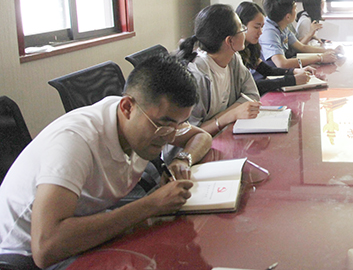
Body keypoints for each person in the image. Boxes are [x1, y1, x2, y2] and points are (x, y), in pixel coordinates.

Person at [0, 55, 212, 269]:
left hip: (84, 225)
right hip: (26, 257)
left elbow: (201, 136)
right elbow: (46, 248)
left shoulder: (144, 119)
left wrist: (182, 160)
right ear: (127, 107)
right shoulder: (75, 141)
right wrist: (152, 204)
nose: (170, 136)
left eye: (179, 125)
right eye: (164, 125)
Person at [176, 4, 261, 136]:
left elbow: (252, 95)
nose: (244, 32)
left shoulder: (233, 59)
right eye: (241, 28)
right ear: (229, 40)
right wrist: (231, 115)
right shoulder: (198, 75)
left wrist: (230, 114)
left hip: (224, 135)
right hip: (200, 145)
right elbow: (187, 133)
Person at [236, 1, 314, 95]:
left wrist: (294, 71)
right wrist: (292, 80)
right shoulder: (235, 53)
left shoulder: (251, 47)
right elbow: (250, 85)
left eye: (262, 27)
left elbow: (268, 70)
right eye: (256, 27)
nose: (260, 32)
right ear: (242, 27)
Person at [259, 0, 341, 69]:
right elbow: (282, 64)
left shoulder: (281, 25)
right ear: (288, 17)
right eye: (295, 8)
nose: (297, 10)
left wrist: (330, 50)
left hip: (281, 70)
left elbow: (302, 47)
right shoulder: (269, 33)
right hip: (271, 75)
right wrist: (320, 58)